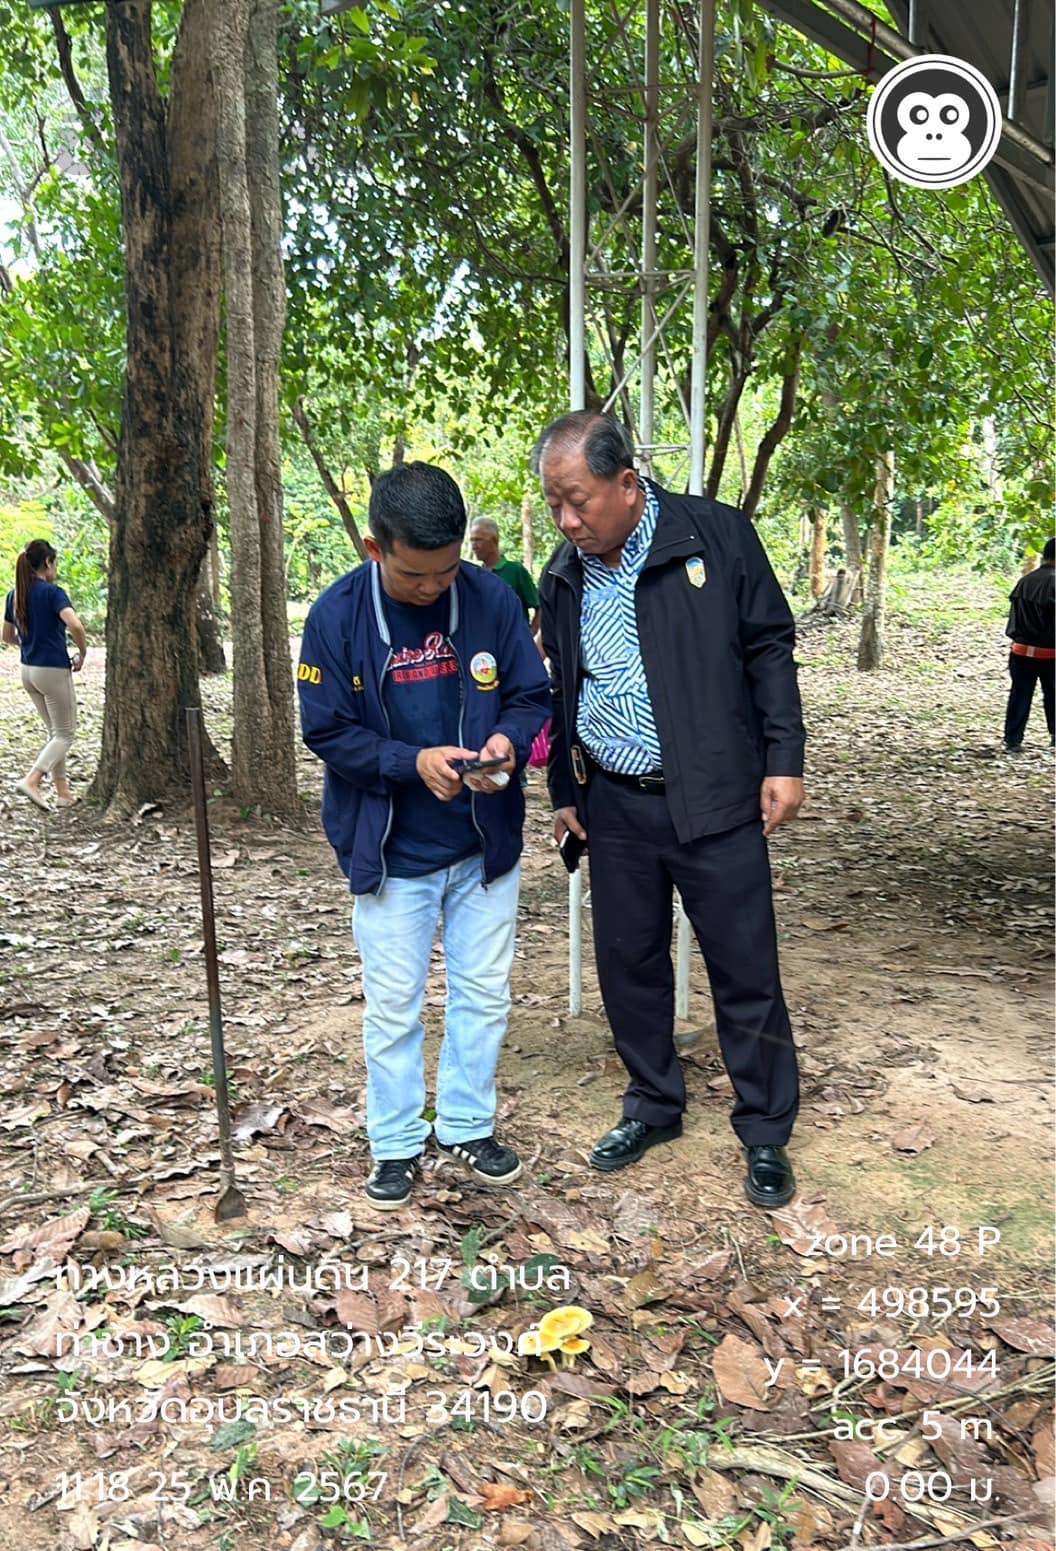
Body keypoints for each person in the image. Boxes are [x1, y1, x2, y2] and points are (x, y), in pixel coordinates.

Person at [536, 412, 805, 1210]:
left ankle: (764, 1128)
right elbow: (560, 689)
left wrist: (784, 759)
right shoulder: (566, 570)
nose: (567, 520)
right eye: (554, 503)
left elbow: (769, 647)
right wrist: (564, 790)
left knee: (744, 966)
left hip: (716, 794)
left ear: (627, 484)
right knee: (630, 966)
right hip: (615, 803)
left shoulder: (714, 538)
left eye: (578, 501)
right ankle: (653, 1103)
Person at [297, 463, 550, 1210]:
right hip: (392, 852)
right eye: (416, 575)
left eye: (448, 572)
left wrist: (506, 741)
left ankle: (469, 1122)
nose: (435, 588)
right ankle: (397, 1140)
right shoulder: (336, 617)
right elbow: (326, 730)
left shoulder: (492, 598)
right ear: (376, 549)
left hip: (484, 844)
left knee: (483, 993)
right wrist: (411, 763)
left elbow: (530, 693)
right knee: (395, 1003)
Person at [2, 539, 88, 811]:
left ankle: (63, 793)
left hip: (28, 672)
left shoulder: (15, 595)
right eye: (55, 563)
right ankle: (33, 780)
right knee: (65, 734)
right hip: (52, 670)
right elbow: (75, 625)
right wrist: (82, 653)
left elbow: (6, 635)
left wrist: (30, 643)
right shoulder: (53, 593)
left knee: (55, 733)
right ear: (48, 563)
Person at [1003, 537, 1055, 752]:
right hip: (1050, 653)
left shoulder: (1025, 581)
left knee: (1020, 694)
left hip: (1021, 650)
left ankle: (1013, 740)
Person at [469, 518, 540, 633]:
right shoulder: (476, 575)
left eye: (478, 540)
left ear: (494, 541)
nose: (474, 546)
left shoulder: (515, 570)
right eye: (472, 541)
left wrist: (530, 638)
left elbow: (539, 606)